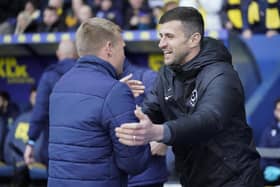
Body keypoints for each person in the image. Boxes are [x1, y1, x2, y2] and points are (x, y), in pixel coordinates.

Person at [116, 7, 263, 187]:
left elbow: (210, 118)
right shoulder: (166, 74)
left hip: (235, 180)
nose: (161, 44)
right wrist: (119, 97)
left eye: (169, 36)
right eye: (161, 36)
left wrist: (159, 132)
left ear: (194, 39)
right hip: (192, 179)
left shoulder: (221, 74)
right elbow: (148, 113)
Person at [47, 18, 150, 187]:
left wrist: (116, 94)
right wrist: (148, 136)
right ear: (109, 48)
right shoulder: (115, 92)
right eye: (123, 47)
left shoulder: (61, 84)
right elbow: (133, 163)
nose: (124, 55)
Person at [24, 39, 77, 166]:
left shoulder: (49, 76)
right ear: (77, 54)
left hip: (55, 149)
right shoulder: (88, 74)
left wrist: (31, 142)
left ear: (58, 54)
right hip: (84, 149)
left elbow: (40, 112)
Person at [120, 60, 168, 187]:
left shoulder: (146, 77)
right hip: (110, 176)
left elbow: (174, 110)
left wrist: (163, 140)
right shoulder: (97, 82)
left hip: (145, 177)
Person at [259, 98, 280, 185]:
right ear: (275, 111)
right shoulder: (269, 129)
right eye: (279, 110)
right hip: (269, 175)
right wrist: (264, 168)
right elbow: (261, 152)